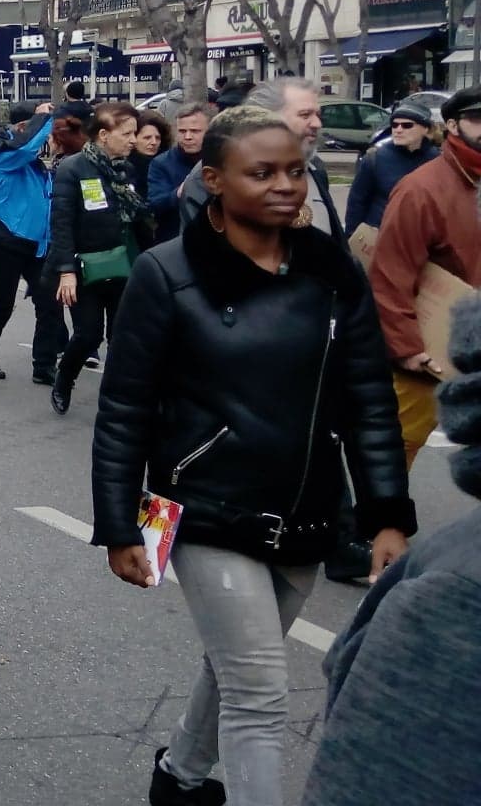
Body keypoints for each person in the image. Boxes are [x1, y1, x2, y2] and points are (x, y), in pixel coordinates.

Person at [91, 105, 414, 806]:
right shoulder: (165, 273)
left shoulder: (333, 273)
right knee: (261, 694)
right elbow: (123, 410)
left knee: (239, 665)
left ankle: (179, 776)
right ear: (213, 180)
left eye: (297, 171)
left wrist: (386, 513)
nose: (285, 186)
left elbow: (368, 399)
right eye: (261, 172)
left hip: (304, 513)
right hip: (199, 509)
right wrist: (119, 525)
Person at [301, 293, 481, 806]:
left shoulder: (327, 264)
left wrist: (385, 521)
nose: (292, 205)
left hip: (306, 516)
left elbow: (370, 410)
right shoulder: (457, 598)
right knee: (251, 678)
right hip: (219, 512)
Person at [368, 85, 481, 466]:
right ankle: (382, 524)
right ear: (450, 125)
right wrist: (407, 349)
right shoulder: (421, 189)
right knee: (396, 450)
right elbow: (389, 275)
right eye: (477, 119)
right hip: (429, 352)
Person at [47, 102, 150, 416]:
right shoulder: (74, 168)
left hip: (125, 263)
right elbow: (61, 224)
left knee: (121, 335)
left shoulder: (128, 169)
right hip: (85, 267)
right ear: (104, 135)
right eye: (127, 133)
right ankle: (65, 377)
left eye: (135, 133)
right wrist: (66, 271)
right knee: (87, 333)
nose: (134, 140)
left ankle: (115, 396)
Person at [0, 103, 66, 382]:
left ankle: (44, 366)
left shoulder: (34, 162)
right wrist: (44, 117)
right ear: (23, 127)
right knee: (2, 301)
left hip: (37, 243)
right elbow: (24, 148)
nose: (44, 140)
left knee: (49, 303)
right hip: (5, 238)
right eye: (39, 131)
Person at [177, 78, 339, 237]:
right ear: (266, 116)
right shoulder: (212, 175)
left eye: (318, 114)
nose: (317, 123)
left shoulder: (315, 168)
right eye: (305, 115)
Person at [344, 97, 436, 239]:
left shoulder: (438, 160)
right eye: (394, 125)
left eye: (407, 125)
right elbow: (356, 203)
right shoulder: (375, 158)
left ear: (425, 129)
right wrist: (352, 240)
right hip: (380, 241)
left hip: (423, 243)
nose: (398, 130)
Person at [147, 103, 212, 241]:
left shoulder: (220, 160)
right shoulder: (162, 163)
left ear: (209, 131)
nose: (187, 137)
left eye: (195, 131)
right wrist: (178, 193)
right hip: (174, 240)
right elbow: (155, 204)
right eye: (182, 131)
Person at [131, 109, 171, 204]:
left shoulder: (168, 164)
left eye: (158, 138)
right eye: (147, 138)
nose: (154, 142)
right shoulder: (124, 167)